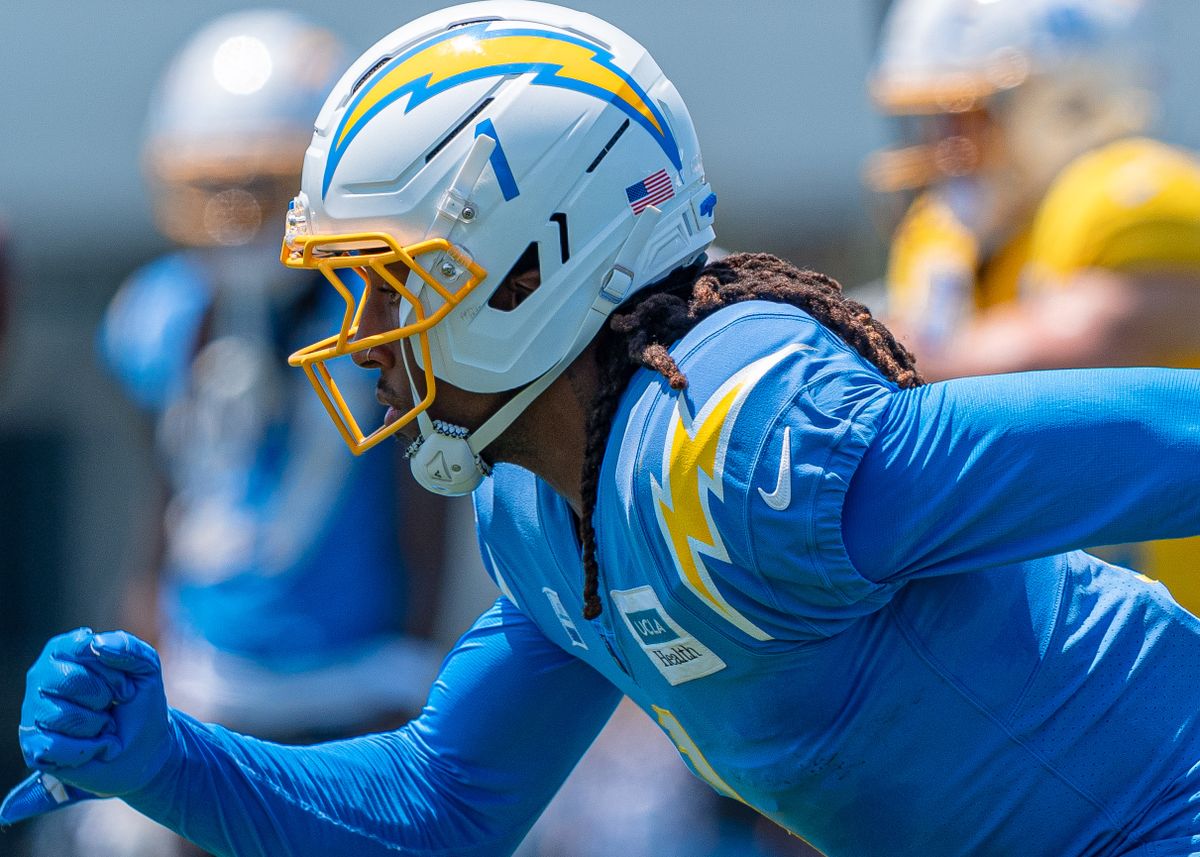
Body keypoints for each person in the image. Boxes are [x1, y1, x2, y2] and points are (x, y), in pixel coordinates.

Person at [5, 3, 1200, 856]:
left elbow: (1175, 435)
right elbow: (439, 807)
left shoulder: (744, 443)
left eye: (388, 283)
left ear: (532, 263)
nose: (362, 338)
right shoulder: (537, 501)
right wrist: (169, 761)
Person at [30, 11, 446, 857]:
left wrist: (410, 666)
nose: (236, 217)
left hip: (356, 680)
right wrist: (141, 653)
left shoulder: (377, 312)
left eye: (261, 185)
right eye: (215, 187)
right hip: (207, 681)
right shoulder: (162, 314)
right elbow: (164, 505)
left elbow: (427, 503)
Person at [866, 0, 1200, 607]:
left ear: (1066, 102)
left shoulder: (1132, 191)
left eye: (968, 115)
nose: (945, 142)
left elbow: (1086, 340)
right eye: (934, 117)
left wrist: (833, 352)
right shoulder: (941, 236)